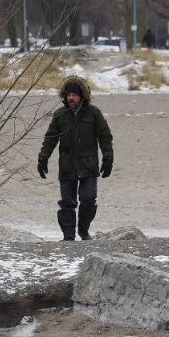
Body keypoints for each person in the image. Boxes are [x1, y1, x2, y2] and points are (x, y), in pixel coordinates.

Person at [37, 75, 114, 241]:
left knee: (88, 200)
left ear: (82, 96)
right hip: (67, 165)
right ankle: (69, 237)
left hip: (88, 165)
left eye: (74, 95)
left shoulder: (94, 113)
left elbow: (105, 136)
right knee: (67, 203)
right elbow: (50, 138)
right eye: (68, 95)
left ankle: (84, 230)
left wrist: (108, 159)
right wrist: (43, 158)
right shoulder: (59, 115)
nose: (71, 97)